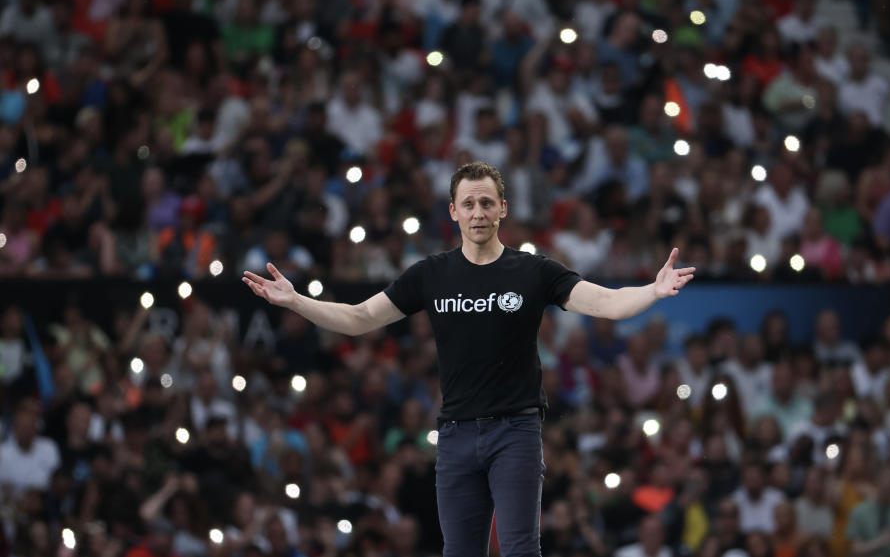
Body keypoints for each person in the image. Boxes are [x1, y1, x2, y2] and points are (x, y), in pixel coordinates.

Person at [242, 161, 696, 557]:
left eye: (487, 203)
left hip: (516, 431)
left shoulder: (534, 271)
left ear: (503, 209)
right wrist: (297, 301)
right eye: (469, 204)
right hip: (455, 436)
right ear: (453, 211)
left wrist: (651, 291)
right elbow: (360, 317)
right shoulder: (431, 274)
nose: (478, 212)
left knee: (521, 549)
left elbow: (605, 303)